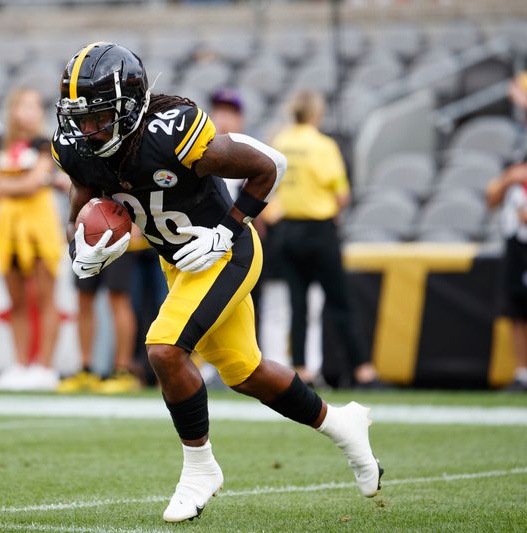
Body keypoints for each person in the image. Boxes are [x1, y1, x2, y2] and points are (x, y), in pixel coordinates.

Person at [52, 42, 382, 523]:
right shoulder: (77, 148)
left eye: (99, 116)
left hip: (226, 251)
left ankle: (200, 469)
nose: (86, 129)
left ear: (129, 107)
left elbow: (270, 167)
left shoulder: (171, 132)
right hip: (179, 262)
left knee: (164, 348)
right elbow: (78, 209)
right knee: (246, 372)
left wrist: (225, 230)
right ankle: (343, 424)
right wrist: (81, 248)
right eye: (79, 116)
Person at [270, 90, 379, 388]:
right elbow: (341, 194)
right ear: (317, 113)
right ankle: (361, 370)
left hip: (287, 230)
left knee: (298, 304)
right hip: (319, 230)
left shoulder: (281, 141)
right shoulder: (322, 145)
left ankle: (302, 369)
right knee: (340, 301)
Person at [0, 87, 62, 391]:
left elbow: (31, 184)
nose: (28, 112)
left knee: (45, 297)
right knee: (15, 299)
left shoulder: (44, 144)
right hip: (7, 230)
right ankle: (21, 363)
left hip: (39, 226)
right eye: (23, 106)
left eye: (34, 106)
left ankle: (46, 366)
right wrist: (17, 182)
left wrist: (5, 182)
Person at [57, 226, 142, 394]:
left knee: (118, 298)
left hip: (119, 228)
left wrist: (135, 222)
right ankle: (85, 368)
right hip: (88, 231)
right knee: (84, 298)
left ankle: (122, 370)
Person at [486, 146, 527, 391]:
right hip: (516, 245)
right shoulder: (515, 162)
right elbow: (491, 197)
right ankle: (522, 372)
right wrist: (509, 178)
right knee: (517, 312)